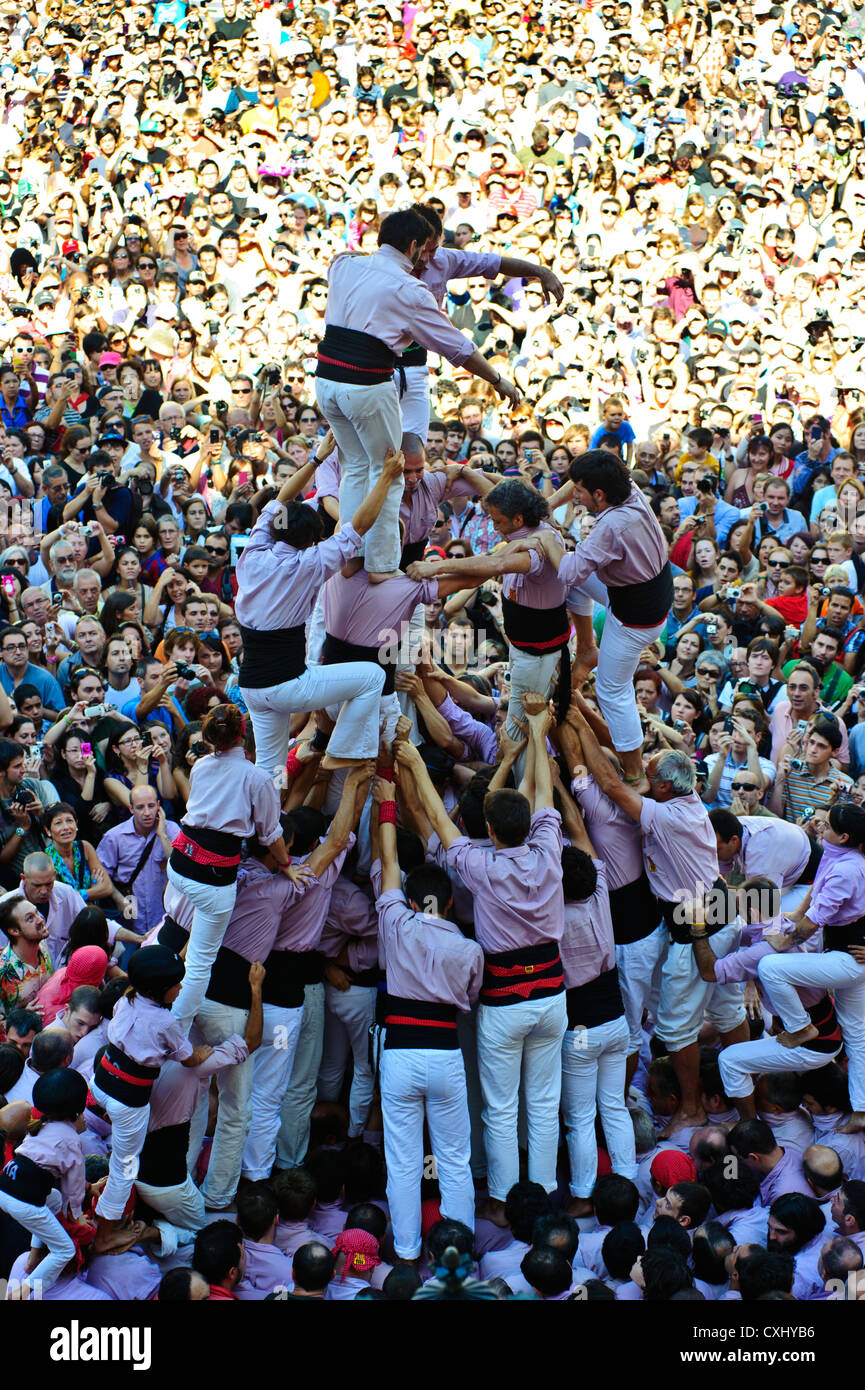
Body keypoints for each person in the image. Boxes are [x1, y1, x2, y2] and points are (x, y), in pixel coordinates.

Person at [395, 694, 567, 1224]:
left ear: (489, 832)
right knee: (543, 1104)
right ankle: (543, 1196)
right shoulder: (549, 849)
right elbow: (543, 793)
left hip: (505, 1001)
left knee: (501, 1107)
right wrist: (536, 732)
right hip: (553, 995)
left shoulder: (480, 866)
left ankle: (503, 1200)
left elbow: (437, 820)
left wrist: (412, 761)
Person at [315, 209, 520, 582]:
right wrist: (497, 379)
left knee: (355, 466)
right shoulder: (410, 290)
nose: (427, 259)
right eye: (425, 250)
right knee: (389, 472)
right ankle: (380, 565)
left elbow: (352, 259)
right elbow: (457, 347)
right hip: (366, 386)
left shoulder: (343, 264)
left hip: (326, 382)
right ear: (412, 246)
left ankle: (351, 553)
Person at [235, 447, 403, 778]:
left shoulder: (254, 548)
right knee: (374, 676)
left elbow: (281, 499)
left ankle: (265, 813)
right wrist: (386, 477)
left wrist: (316, 458)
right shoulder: (310, 563)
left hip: (252, 688)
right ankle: (342, 750)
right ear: (312, 540)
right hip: (287, 686)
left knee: (270, 769)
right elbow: (359, 526)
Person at [370, 768, 483, 1261]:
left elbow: (389, 861)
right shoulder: (470, 949)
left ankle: (408, 1252)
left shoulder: (397, 921)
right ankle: (458, 1251)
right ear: (452, 901)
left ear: (412, 901)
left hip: (399, 1055)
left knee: (403, 1162)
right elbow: (470, 998)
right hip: (445, 1055)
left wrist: (386, 803)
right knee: (455, 1160)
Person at [165, 703, 304, 1034]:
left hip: (178, 865)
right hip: (210, 881)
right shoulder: (257, 778)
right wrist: (286, 865)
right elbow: (271, 835)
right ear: (244, 738)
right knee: (200, 965)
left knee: (190, 939)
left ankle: (166, 1005)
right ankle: (176, 1032)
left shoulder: (200, 766)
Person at [88, 945, 213, 1253]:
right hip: (127, 1100)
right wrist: (203, 1052)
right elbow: (188, 1059)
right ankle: (104, 1237)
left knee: (123, 1151)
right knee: (125, 1170)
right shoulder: (165, 1022)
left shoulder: (126, 999)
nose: (180, 989)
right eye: (176, 985)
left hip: (101, 1081)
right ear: (160, 990)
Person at [758, 804, 865, 1134]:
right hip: (843, 954)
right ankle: (861, 1110)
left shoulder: (850, 868)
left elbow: (812, 924)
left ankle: (801, 1028)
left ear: (844, 836)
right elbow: (813, 895)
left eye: (828, 825)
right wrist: (790, 917)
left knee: (770, 967)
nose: (820, 825)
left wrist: (782, 941)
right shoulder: (835, 854)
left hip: (849, 960)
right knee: (857, 1035)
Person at [0, 1068, 88, 1297]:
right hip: (24, 1201)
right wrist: (76, 1214)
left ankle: (33, 1258)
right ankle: (20, 1294)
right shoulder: (71, 1139)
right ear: (78, 1110)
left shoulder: (38, 1127)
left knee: (54, 1200)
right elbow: (74, 1186)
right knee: (64, 1250)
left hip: (6, 1187)